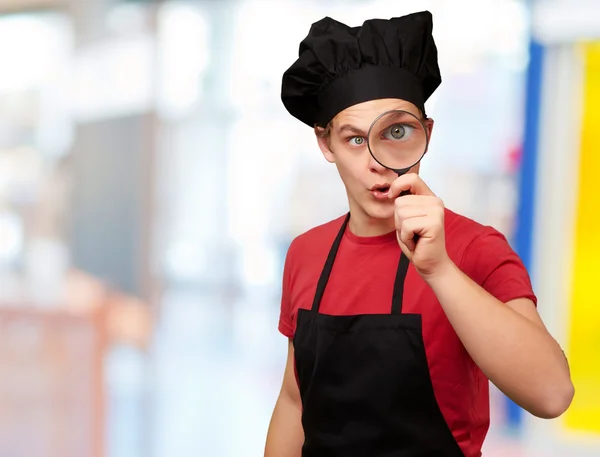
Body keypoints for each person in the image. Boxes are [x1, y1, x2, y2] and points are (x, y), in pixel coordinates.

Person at [264, 11, 574, 457]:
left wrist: (439, 270)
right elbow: (295, 401)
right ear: (324, 143)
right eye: (354, 139)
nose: (376, 159)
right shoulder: (306, 252)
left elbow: (551, 395)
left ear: (425, 133)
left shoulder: (473, 248)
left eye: (396, 132)